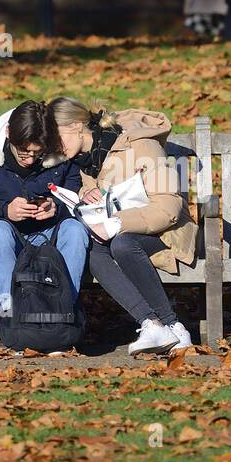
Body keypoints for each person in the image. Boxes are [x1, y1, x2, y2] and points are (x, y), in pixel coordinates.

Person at [46, 97, 198, 356]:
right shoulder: (85, 160)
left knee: (123, 243)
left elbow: (169, 208)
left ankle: (173, 324)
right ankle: (150, 323)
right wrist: (87, 192)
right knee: (91, 247)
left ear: (76, 126)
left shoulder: (141, 147)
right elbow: (101, 188)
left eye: (55, 136)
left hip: (167, 232)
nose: (53, 146)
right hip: (121, 232)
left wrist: (117, 223)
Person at [0, 100, 89, 319]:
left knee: (74, 229)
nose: (30, 159)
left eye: (38, 153)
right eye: (24, 151)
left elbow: (76, 202)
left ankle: (63, 313)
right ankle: (12, 317)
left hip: (46, 235)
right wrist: (4, 211)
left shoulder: (60, 155)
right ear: (8, 133)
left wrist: (57, 207)